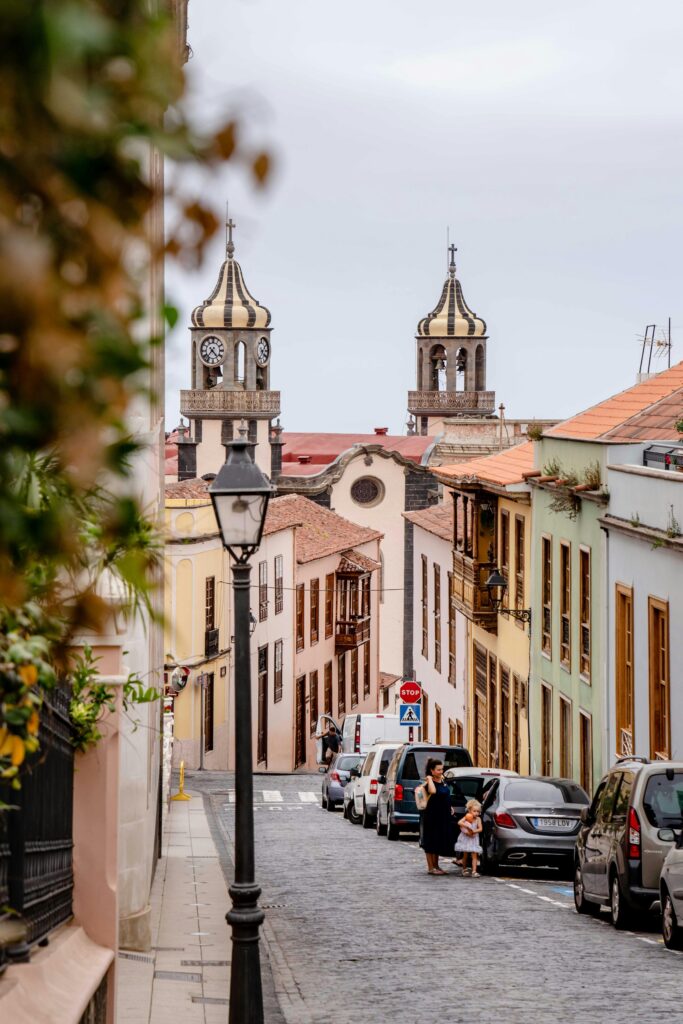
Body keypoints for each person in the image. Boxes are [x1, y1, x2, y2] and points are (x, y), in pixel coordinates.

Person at [419, 758, 454, 875]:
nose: (441, 771)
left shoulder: (443, 781)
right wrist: (430, 779)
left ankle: (436, 865)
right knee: (430, 841)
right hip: (431, 816)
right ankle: (431, 867)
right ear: (432, 771)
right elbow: (433, 792)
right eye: (438, 770)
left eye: (442, 769)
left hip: (442, 816)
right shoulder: (428, 783)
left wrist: (450, 807)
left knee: (438, 841)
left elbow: (446, 795)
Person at [455, 798, 483, 877]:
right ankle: (464, 869)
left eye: (478, 811)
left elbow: (480, 829)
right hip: (466, 838)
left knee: (475, 855)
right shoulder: (467, 817)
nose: (476, 813)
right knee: (465, 854)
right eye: (474, 811)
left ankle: (474, 871)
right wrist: (467, 827)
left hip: (474, 839)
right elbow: (459, 822)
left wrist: (474, 831)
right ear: (469, 810)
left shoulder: (478, 819)